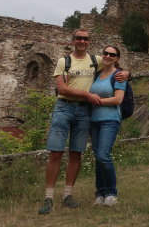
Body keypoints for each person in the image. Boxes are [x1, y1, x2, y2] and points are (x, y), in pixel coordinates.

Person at [38, 29, 129, 215]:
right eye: (78, 38)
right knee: (55, 152)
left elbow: (115, 69)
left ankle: (67, 195)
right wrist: (87, 94)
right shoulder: (64, 61)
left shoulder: (95, 61)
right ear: (73, 40)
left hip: (84, 112)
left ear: (89, 41)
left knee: (76, 153)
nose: (82, 41)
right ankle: (48, 197)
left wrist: (128, 73)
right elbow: (62, 88)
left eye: (85, 38)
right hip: (64, 107)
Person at [89, 45, 126, 207]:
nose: (108, 56)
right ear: (102, 55)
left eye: (112, 54)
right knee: (98, 158)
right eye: (105, 53)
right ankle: (100, 193)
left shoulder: (119, 76)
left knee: (103, 155)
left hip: (110, 120)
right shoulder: (96, 75)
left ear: (117, 58)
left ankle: (111, 192)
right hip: (94, 120)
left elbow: (118, 99)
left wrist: (97, 101)